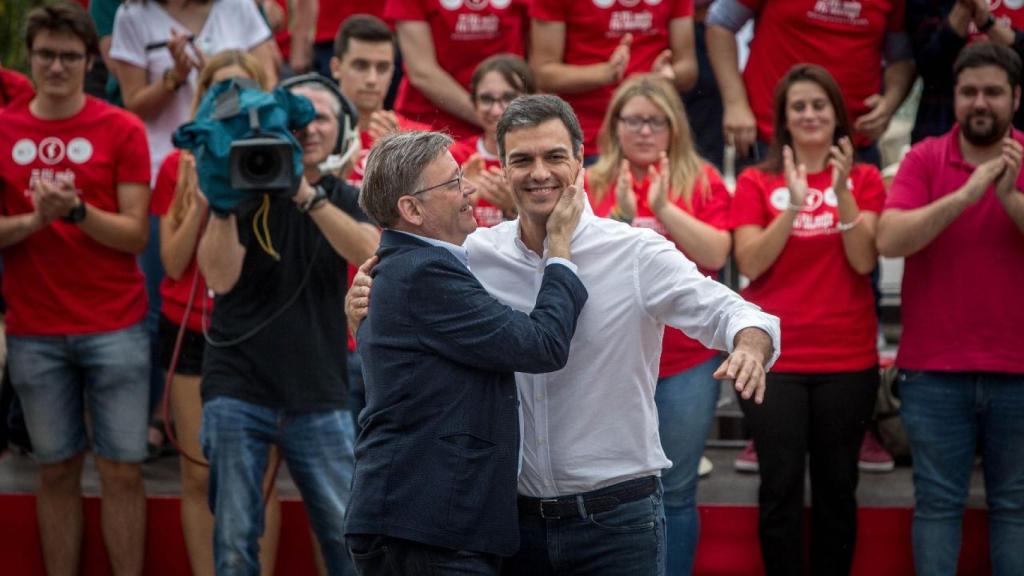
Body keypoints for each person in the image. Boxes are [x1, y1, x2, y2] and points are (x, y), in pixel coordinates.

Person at [348, 94, 781, 575]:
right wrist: (364, 301)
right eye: (522, 159)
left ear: (580, 160)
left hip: (619, 523)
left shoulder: (636, 252)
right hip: (513, 527)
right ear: (505, 169)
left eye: (554, 156)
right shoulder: (471, 254)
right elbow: (406, 291)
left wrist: (749, 343)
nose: (539, 173)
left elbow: (734, 312)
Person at [345, 130, 588, 575]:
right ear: (411, 209)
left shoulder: (408, 268)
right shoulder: (424, 271)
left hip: (425, 524)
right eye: (453, 182)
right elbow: (542, 345)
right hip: (428, 527)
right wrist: (561, 250)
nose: (469, 189)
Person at [195, 75, 378, 574]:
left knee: (347, 538)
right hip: (236, 386)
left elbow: (371, 253)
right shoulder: (236, 189)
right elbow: (218, 276)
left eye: (321, 116)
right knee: (234, 542)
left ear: (341, 129)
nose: (309, 127)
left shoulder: (341, 194)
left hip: (318, 390)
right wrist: (220, 204)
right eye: (299, 116)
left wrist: (304, 191)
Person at [0, 4, 152, 574]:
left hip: (116, 326)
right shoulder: (4, 129)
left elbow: (136, 236)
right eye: (46, 55)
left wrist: (78, 212)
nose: (56, 66)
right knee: (55, 470)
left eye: (69, 56)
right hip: (35, 329)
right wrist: (34, 222)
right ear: (30, 58)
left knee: (122, 470)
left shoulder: (122, 128)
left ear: (90, 61)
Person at [728, 65, 885, 575]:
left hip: (847, 361)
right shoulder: (756, 180)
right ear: (783, 119)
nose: (810, 114)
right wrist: (794, 204)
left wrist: (840, 193)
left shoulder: (864, 178)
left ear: (836, 114)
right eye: (799, 106)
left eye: (819, 104)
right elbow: (750, 263)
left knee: (839, 491)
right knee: (780, 489)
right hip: (774, 363)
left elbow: (863, 261)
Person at [877, 42, 1024, 576]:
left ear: (1015, 98)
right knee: (938, 507)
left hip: (1019, 372)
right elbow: (889, 240)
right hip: (935, 372)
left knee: (1015, 509)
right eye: (969, 92)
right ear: (954, 98)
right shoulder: (924, 157)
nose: (979, 102)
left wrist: (1009, 199)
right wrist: (966, 195)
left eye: (992, 92)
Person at [586, 73, 732, 576]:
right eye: (633, 121)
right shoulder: (589, 183)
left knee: (676, 491)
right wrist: (626, 218)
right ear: (614, 126)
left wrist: (664, 207)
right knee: (608, 489)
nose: (644, 131)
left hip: (685, 364)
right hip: (611, 363)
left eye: (655, 121)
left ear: (674, 127)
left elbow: (717, 252)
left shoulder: (704, 180)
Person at [152, 50, 282, 576]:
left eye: (241, 89)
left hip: (257, 327)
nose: (229, 100)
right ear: (203, 96)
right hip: (191, 327)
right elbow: (173, 261)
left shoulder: (273, 158)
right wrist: (206, 190)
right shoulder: (176, 162)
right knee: (198, 475)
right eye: (218, 89)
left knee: (260, 475)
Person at [706, 0, 916, 166]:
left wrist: (889, 104)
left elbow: (901, 57)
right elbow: (720, 23)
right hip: (772, 137)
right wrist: (735, 104)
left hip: (853, 142)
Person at [110, 0, 279, 183]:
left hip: (239, 160)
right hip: (170, 166)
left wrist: (218, 82)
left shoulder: (238, 5)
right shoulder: (131, 15)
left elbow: (267, 85)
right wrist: (175, 77)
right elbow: (134, 106)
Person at [529, 0, 698, 161]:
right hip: (588, 142)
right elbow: (543, 73)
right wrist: (605, 73)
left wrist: (666, 76)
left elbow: (688, 70)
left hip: (656, 137)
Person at [384, 0, 530, 139]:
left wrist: (499, 115)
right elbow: (421, 71)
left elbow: (539, 61)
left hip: (509, 122)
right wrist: (490, 115)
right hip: (429, 124)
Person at [330, 14, 428, 189]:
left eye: (382, 68)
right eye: (361, 65)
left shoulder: (420, 140)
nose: (372, 79)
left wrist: (402, 153)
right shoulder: (313, 136)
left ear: (392, 72)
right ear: (336, 68)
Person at [908, 0, 1024, 143]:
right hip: (941, 130)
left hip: (1016, 134)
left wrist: (988, 23)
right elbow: (925, 64)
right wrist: (963, 9)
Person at [450, 54, 535, 227]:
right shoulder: (452, 158)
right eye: (487, 99)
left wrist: (517, 208)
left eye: (509, 98)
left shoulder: (546, 158)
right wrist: (462, 204)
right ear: (474, 103)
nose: (496, 111)